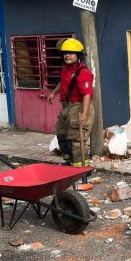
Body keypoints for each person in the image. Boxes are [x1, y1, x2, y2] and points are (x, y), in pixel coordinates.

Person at [45, 38, 94, 166]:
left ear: (78, 55)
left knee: (76, 138)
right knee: (61, 134)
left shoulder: (83, 72)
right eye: (65, 52)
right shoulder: (66, 69)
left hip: (78, 106)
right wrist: (53, 93)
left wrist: (84, 114)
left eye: (71, 53)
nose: (67, 55)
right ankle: (69, 161)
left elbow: (87, 94)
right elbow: (63, 82)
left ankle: (81, 167)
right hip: (66, 106)